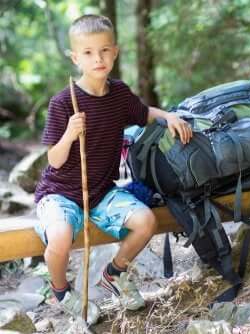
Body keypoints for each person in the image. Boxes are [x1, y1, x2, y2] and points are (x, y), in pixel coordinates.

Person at [34, 14, 192, 325]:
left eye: (105, 50)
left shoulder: (118, 93)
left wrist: (169, 117)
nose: (98, 58)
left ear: (115, 52)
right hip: (60, 194)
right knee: (61, 236)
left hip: (102, 192)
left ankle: (114, 273)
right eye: (89, 52)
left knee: (145, 221)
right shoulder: (64, 102)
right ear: (75, 57)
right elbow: (53, 159)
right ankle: (62, 291)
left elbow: (144, 113)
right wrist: (69, 133)